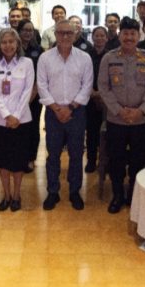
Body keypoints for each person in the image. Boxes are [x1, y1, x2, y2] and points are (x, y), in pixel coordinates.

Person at [98, 18, 145, 214]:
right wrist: (119, 110)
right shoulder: (109, 58)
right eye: (126, 33)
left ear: (138, 36)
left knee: (138, 159)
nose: (129, 37)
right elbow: (103, 87)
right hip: (116, 120)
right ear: (120, 35)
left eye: (133, 34)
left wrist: (140, 110)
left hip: (140, 120)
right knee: (116, 159)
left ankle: (134, 193)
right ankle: (117, 194)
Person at [37, 20, 93, 210]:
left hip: (76, 113)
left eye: (69, 33)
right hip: (53, 113)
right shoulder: (45, 58)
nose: (65, 36)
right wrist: (56, 108)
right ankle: (53, 191)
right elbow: (42, 86)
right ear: (55, 34)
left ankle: (74, 191)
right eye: (61, 33)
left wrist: (70, 107)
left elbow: (87, 86)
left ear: (76, 35)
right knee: (53, 154)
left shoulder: (84, 58)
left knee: (76, 154)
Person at [0, 29, 35, 212]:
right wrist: (7, 115)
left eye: (11, 42)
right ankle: (6, 195)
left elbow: (28, 91)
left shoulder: (27, 63)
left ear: (17, 44)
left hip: (21, 120)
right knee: (2, 159)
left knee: (18, 159)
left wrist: (16, 116)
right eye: (4, 42)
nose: (8, 45)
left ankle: (16, 195)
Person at [18, 19, 43, 173]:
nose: (28, 33)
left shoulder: (39, 50)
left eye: (30, 30)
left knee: (33, 127)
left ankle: (30, 158)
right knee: (18, 128)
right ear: (19, 31)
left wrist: (29, 98)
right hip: (16, 96)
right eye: (25, 30)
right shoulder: (13, 49)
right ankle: (18, 157)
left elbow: (41, 76)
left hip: (34, 96)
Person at [85, 26, 109, 173]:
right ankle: (91, 160)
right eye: (97, 36)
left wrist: (102, 94)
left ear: (106, 38)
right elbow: (82, 78)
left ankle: (104, 161)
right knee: (91, 132)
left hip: (107, 100)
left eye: (102, 36)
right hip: (89, 98)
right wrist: (93, 93)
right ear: (92, 37)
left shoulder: (111, 56)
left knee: (106, 132)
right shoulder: (86, 56)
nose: (99, 38)